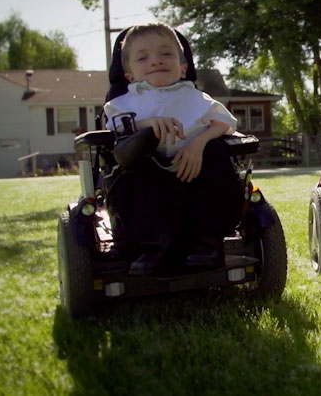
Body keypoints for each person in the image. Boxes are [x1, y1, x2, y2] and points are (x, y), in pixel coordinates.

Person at [103, 22, 241, 274]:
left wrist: (199, 143)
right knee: (138, 168)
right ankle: (153, 248)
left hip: (194, 173)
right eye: (143, 57)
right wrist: (147, 125)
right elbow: (112, 129)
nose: (155, 61)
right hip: (146, 177)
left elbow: (225, 122)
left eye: (166, 54)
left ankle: (206, 244)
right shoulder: (122, 104)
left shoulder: (196, 97)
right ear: (129, 75)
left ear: (183, 67)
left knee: (217, 152)